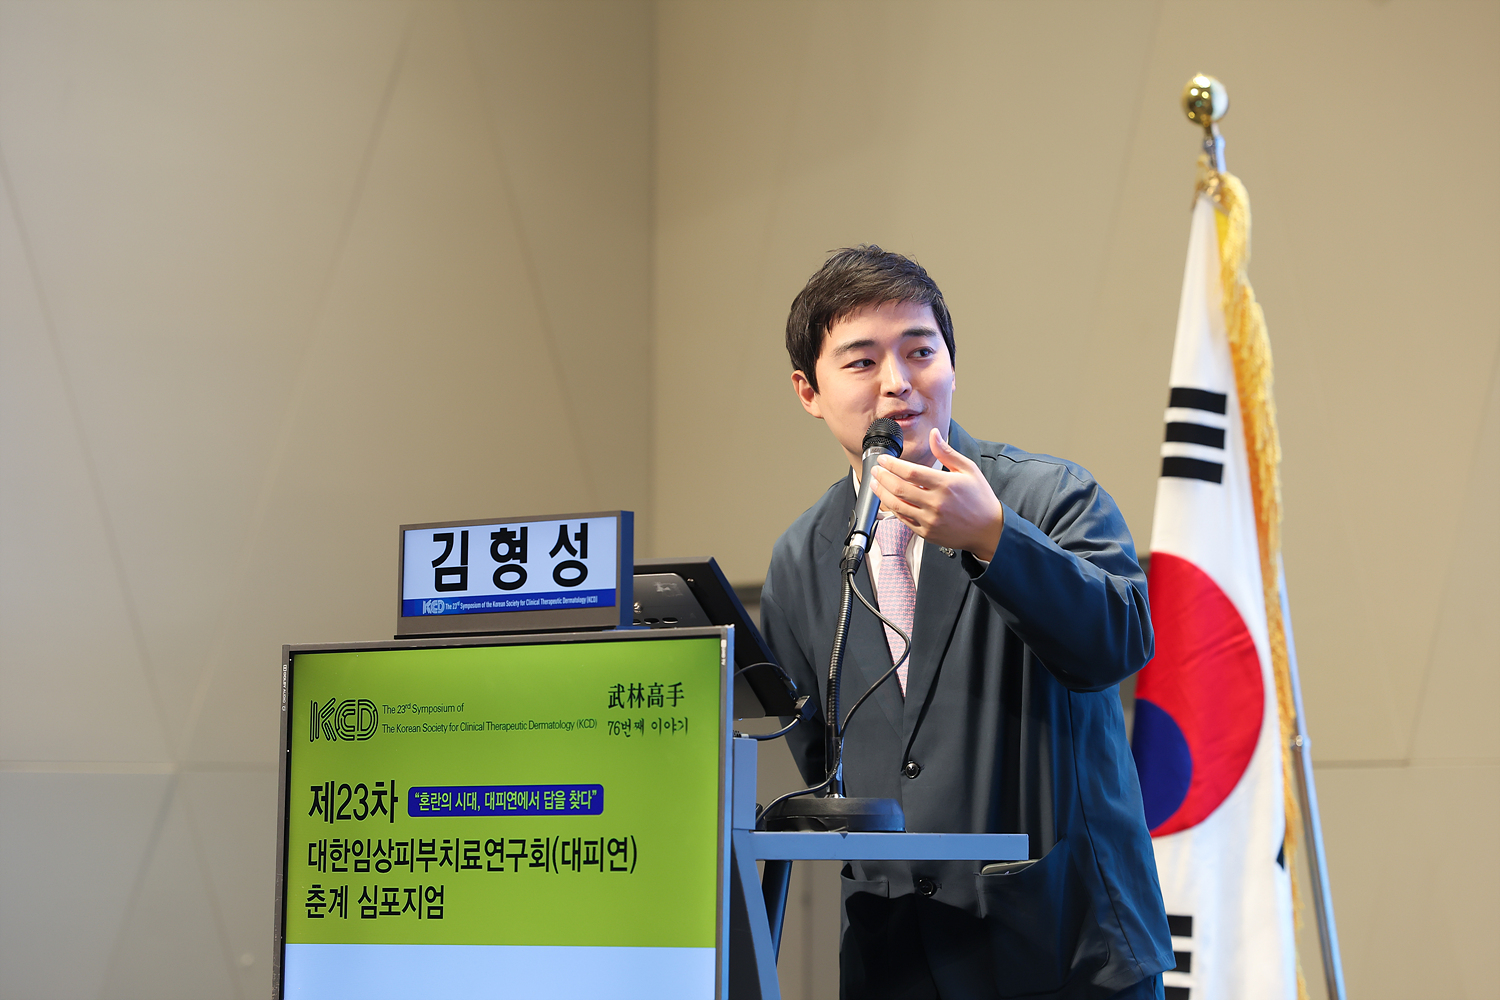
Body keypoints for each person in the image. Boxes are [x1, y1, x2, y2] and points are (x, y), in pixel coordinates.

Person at [760, 246, 1174, 1000]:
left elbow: (1119, 642)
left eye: (921, 351)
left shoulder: (1048, 497)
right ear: (808, 391)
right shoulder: (802, 556)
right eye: (862, 361)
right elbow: (822, 755)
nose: (898, 382)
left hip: (1062, 948)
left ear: (951, 363)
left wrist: (995, 539)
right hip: (896, 960)